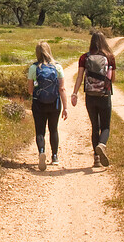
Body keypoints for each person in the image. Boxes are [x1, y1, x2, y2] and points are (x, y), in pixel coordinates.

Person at [72, 32, 116, 168]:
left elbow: (79, 77)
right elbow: (113, 79)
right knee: (106, 126)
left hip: (90, 96)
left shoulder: (84, 57)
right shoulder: (109, 57)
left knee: (94, 127)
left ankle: (96, 159)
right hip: (104, 95)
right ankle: (102, 145)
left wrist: (74, 93)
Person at [27, 40, 68, 171]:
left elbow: (30, 90)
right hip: (55, 103)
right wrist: (66, 107)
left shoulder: (33, 68)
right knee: (53, 129)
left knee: (40, 130)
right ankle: (55, 156)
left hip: (39, 103)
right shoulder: (57, 67)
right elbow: (62, 88)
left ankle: (42, 152)